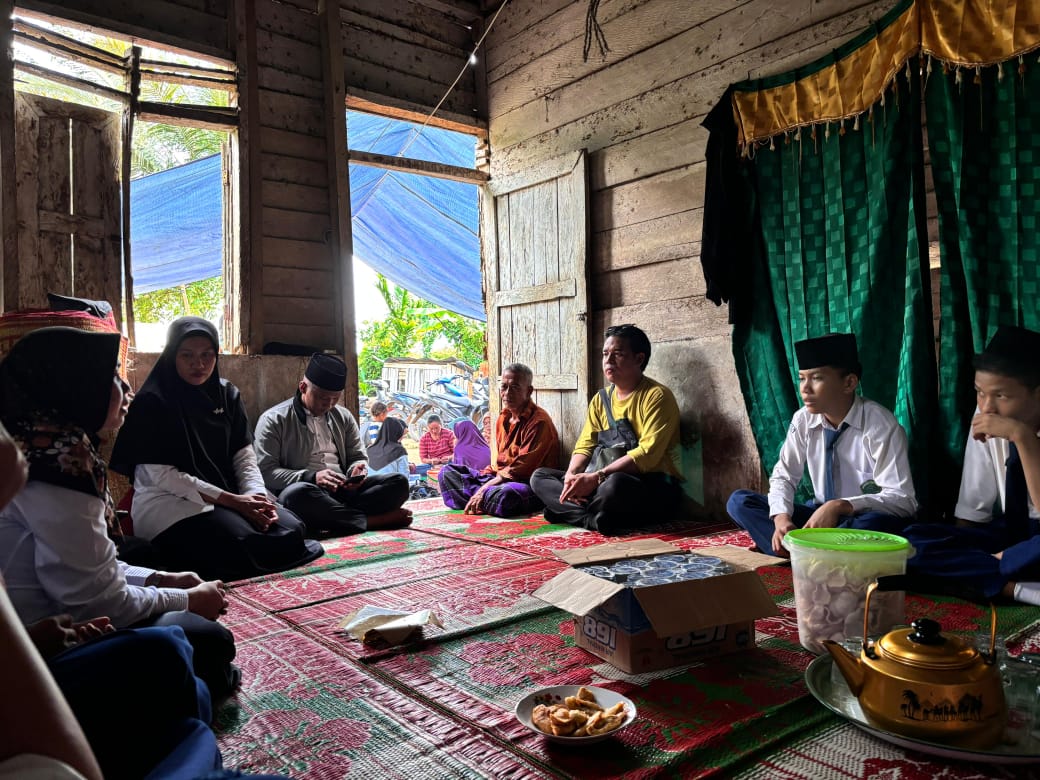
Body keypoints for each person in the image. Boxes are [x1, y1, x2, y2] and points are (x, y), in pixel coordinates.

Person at [0, 326, 239, 702]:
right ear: (76, 386)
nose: (127, 389)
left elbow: (89, 564)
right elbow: (98, 601)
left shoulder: (40, 443)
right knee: (197, 643)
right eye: (112, 375)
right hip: (38, 645)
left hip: (50, 621)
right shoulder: (55, 466)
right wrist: (189, 599)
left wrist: (161, 578)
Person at [111, 317, 323, 582]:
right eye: (187, 355)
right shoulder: (153, 402)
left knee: (292, 527)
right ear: (172, 355)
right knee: (238, 542)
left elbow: (244, 457)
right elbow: (162, 476)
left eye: (207, 355)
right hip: (172, 504)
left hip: (230, 497)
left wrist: (256, 498)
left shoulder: (226, 395)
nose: (198, 364)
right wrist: (235, 502)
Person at [726, 333, 918, 557]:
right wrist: (781, 519)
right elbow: (784, 476)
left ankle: (799, 553)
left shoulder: (880, 425)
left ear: (849, 383)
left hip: (857, 519)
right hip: (818, 516)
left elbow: (903, 501)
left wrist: (840, 505)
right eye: (801, 378)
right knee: (739, 502)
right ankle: (815, 552)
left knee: (875, 524)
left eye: (816, 378)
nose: (805, 389)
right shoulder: (803, 420)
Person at [904, 326, 1040, 603]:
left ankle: (992, 574)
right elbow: (973, 509)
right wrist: (960, 548)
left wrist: (1023, 437)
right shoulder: (987, 415)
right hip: (1009, 533)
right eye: (980, 392)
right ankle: (1017, 588)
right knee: (911, 542)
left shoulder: (1010, 426)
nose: (987, 407)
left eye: (1001, 396)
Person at [530, 324, 683, 533]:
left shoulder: (657, 396)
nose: (608, 360)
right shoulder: (601, 399)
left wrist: (597, 477)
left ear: (639, 359)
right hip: (601, 480)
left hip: (651, 485)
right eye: (605, 354)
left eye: (618, 354)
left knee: (615, 485)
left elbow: (646, 454)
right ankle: (594, 518)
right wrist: (571, 476)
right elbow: (585, 445)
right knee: (539, 477)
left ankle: (567, 511)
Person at [254, 353, 412, 535]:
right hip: (308, 492)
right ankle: (370, 521)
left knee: (399, 483)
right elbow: (266, 472)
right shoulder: (274, 420)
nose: (328, 405)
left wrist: (356, 470)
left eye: (335, 399)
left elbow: (357, 456)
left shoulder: (343, 416)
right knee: (296, 496)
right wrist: (312, 477)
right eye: (322, 398)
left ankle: (338, 518)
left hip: (344, 492)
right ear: (303, 387)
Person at [440, 364, 559, 517]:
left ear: (529, 391)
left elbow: (519, 470)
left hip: (525, 483)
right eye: (504, 387)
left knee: (506, 495)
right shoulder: (503, 417)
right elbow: (500, 463)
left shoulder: (539, 422)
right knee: (446, 473)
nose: (507, 393)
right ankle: (485, 500)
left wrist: (483, 489)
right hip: (498, 479)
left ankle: (480, 498)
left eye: (515, 387)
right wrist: (485, 479)